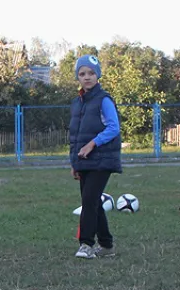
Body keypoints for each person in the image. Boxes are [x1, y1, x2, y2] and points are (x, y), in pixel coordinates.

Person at [69, 54, 122, 259]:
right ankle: (107, 245)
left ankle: (87, 244)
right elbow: (74, 136)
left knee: (89, 200)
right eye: (82, 74)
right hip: (84, 160)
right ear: (78, 77)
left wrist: (92, 144)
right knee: (93, 202)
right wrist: (74, 162)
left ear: (97, 75)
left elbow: (113, 128)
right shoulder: (77, 103)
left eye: (91, 73)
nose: (87, 77)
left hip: (103, 158)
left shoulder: (104, 100)